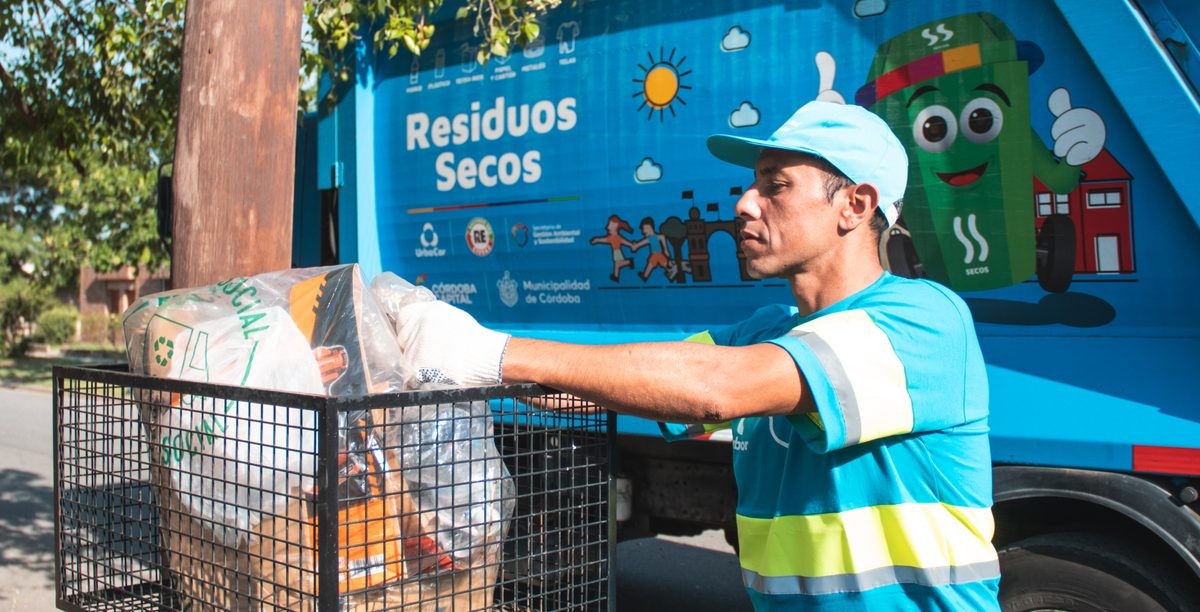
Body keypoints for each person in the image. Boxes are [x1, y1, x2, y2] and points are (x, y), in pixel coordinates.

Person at [394, 101, 1001, 610]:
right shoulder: (767, 332)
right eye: (752, 184)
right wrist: (431, 355)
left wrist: (495, 352)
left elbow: (716, 388)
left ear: (855, 205)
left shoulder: (923, 321)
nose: (744, 204)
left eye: (776, 185)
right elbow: (626, 378)